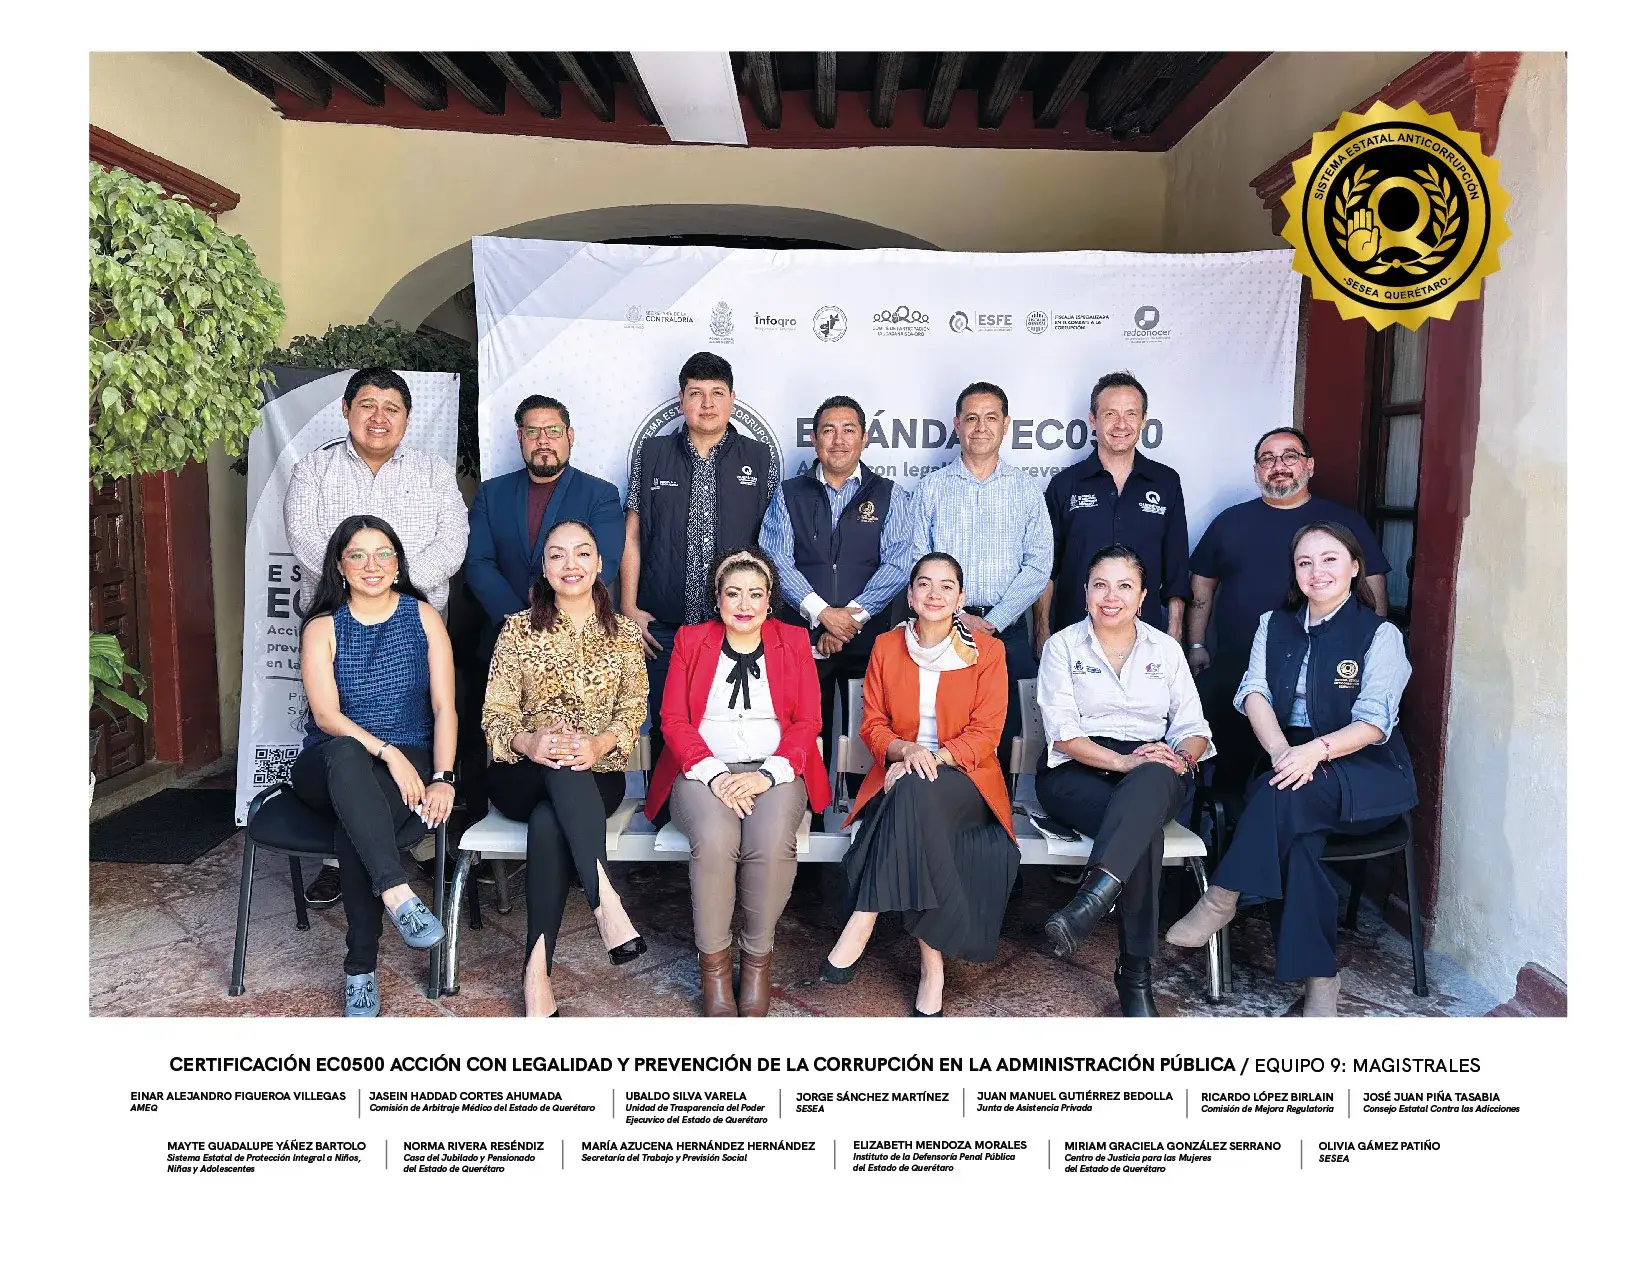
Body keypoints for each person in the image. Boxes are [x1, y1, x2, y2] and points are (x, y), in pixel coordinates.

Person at [1167, 522, 1416, 1017]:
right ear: (1295, 572)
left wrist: (1313, 752)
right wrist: (1284, 750)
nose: (1317, 571)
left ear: (1354, 567)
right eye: (1305, 562)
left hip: (1362, 768)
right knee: (1297, 843)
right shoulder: (1274, 624)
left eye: (1329, 559)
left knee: (1280, 793)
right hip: (1289, 759)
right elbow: (1254, 693)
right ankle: (1321, 980)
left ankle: (1223, 895)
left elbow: (1373, 723)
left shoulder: (1379, 634)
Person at [285, 367, 468, 910]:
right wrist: (366, 585)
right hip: (339, 622)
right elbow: (307, 540)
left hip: (414, 623)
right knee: (341, 735)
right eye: (367, 405)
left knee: (415, 723)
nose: (379, 417)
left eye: (392, 408)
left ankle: (413, 839)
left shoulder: (433, 473)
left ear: (407, 419)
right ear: (346, 411)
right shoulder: (313, 471)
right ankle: (349, 860)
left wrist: (396, 590)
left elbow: (453, 541)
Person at [821, 553, 1018, 1018]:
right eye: (924, 584)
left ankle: (864, 917)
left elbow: (986, 734)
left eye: (947, 586)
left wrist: (929, 758)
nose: (935, 594)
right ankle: (933, 967)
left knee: (916, 789)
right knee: (915, 795)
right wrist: (906, 752)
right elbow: (873, 724)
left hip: (967, 779)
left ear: (961, 598)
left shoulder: (987, 652)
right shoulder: (887, 646)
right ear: (909, 596)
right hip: (900, 775)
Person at [643, 547, 830, 1017]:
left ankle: (757, 960)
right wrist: (716, 774)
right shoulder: (691, 640)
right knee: (715, 838)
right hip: (702, 771)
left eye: (755, 594)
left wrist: (766, 775)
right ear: (717, 599)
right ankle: (714, 967)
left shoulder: (792, 640)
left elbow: (808, 722)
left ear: (770, 600)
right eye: (733, 593)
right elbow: (672, 720)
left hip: (777, 770)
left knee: (770, 841)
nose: (744, 604)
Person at [1033, 545, 1214, 1016]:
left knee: (1149, 785)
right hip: (1076, 771)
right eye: (1101, 585)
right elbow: (1064, 735)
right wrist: (1125, 763)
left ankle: (1090, 902)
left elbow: (1194, 729)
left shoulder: (1165, 649)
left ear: (1142, 596)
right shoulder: (1062, 647)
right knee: (1142, 830)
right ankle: (1135, 975)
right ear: (1085, 592)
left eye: (1124, 586)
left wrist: (1178, 758)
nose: (1111, 597)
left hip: (1156, 770)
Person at [480, 520, 650, 1018]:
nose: (570, 564)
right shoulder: (517, 630)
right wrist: (530, 742)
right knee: (556, 759)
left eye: (582, 553)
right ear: (545, 567)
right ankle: (605, 901)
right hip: (521, 773)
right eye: (557, 555)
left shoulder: (623, 634)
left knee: (551, 818)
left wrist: (596, 745)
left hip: (596, 777)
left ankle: (536, 973)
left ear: (599, 564)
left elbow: (632, 712)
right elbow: (495, 714)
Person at [294, 515, 455, 1017]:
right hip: (328, 762)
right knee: (347, 754)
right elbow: (327, 716)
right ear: (339, 566)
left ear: (398, 563)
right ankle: (395, 888)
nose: (372, 565)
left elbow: (445, 708)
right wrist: (386, 751)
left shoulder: (423, 617)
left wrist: (443, 778)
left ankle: (359, 969)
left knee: (360, 823)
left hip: (407, 760)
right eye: (358, 555)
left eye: (384, 553)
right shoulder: (322, 627)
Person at [1186, 427, 1390, 790]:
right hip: (1238, 664)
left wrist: (1371, 648)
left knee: (1307, 770)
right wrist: (1197, 644)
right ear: (1256, 470)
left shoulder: (1342, 522)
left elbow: (1373, 587)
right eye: (1267, 459)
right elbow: (1202, 583)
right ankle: (1228, 814)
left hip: (1317, 675)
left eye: (1290, 456)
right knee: (1229, 762)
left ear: (1309, 466)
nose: (1278, 465)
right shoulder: (1230, 521)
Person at [621, 352, 778, 760]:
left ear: (732, 400)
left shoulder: (759, 459)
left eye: (717, 393)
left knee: (729, 729)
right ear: (681, 400)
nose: (707, 404)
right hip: (663, 626)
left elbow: (772, 544)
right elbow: (632, 537)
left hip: (733, 626)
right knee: (667, 727)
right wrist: (629, 607)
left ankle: (725, 795)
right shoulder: (652, 454)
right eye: (696, 394)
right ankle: (666, 799)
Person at [908, 382, 1053, 774]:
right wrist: (954, 615)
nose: (981, 427)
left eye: (991, 418)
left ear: (1006, 425)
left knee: (1003, 735)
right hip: (939, 630)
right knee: (941, 728)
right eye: (971, 418)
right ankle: (945, 801)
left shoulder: (1026, 490)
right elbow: (917, 560)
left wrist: (993, 621)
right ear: (957, 425)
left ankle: (995, 806)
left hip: (1005, 631)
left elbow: (1039, 565)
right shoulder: (932, 488)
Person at [758, 393, 913, 745]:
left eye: (848, 430)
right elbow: (775, 559)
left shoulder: (889, 494)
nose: (838, 440)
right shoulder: (789, 494)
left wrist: (848, 621)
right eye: (828, 430)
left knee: (867, 742)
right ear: (814, 439)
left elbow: (899, 563)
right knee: (805, 741)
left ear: (864, 438)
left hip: (869, 642)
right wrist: (823, 614)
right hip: (803, 642)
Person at [1036, 371, 1189, 656]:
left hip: (1147, 638)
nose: (1121, 424)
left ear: (1143, 420)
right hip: (1074, 636)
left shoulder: (1166, 482)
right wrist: (1042, 632)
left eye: (1131, 414)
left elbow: (1176, 565)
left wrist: (1175, 631)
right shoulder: (1064, 485)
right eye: (1110, 414)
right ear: (1093, 420)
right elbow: (1046, 568)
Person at [466, 394, 626, 649]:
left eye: (553, 431)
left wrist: (549, 614)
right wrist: (517, 620)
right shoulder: (491, 493)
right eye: (533, 432)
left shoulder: (600, 494)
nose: (543, 440)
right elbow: (478, 561)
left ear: (570, 435)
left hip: (574, 636)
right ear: (520, 437)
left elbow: (603, 562)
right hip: (503, 634)